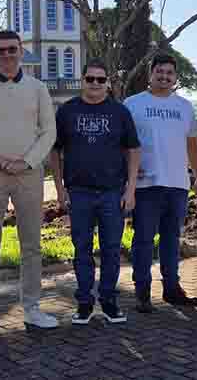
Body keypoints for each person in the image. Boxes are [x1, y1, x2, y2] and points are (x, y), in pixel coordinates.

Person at [0, 29, 57, 336]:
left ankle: (32, 308)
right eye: (1, 50)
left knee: (31, 245)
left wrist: (26, 161)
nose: (7, 55)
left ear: (21, 52)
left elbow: (48, 132)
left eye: (12, 50)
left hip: (28, 175)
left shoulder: (38, 88)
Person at [49, 59, 140, 325]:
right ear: (83, 80)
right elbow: (55, 151)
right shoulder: (67, 111)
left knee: (112, 249)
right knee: (82, 250)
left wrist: (131, 189)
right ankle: (85, 303)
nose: (95, 84)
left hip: (113, 193)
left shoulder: (120, 112)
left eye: (101, 80)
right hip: (79, 193)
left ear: (108, 83)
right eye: (90, 79)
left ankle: (109, 301)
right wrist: (59, 188)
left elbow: (134, 150)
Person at [124, 53, 197, 313]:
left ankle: (172, 289)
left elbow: (193, 145)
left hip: (177, 184)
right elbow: (122, 143)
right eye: (159, 71)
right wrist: (126, 175)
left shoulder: (184, 107)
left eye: (170, 73)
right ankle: (142, 291)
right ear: (150, 74)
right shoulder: (133, 104)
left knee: (172, 239)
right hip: (146, 184)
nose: (164, 76)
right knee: (144, 239)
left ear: (176, 78)